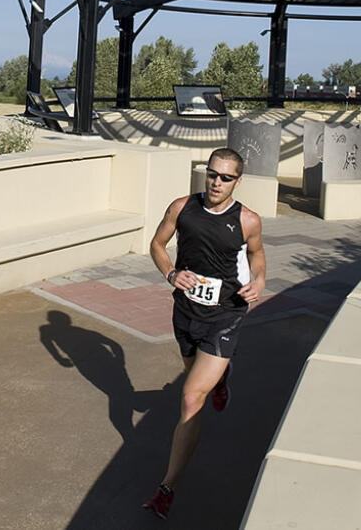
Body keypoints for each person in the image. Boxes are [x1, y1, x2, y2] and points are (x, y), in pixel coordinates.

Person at [142, 147, 266, 519]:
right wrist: (170, 274)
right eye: (212, 174)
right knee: (194, 376)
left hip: (226, 314)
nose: (216, 182)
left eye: (226, 177)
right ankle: (222, 376)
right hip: (186, 312)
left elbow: (257, 255)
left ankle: (167, 488)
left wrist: (259, 280)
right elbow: (157, 245)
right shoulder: (182, 207)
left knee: (192, 397)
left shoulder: (248, 220)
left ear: (237, 182)